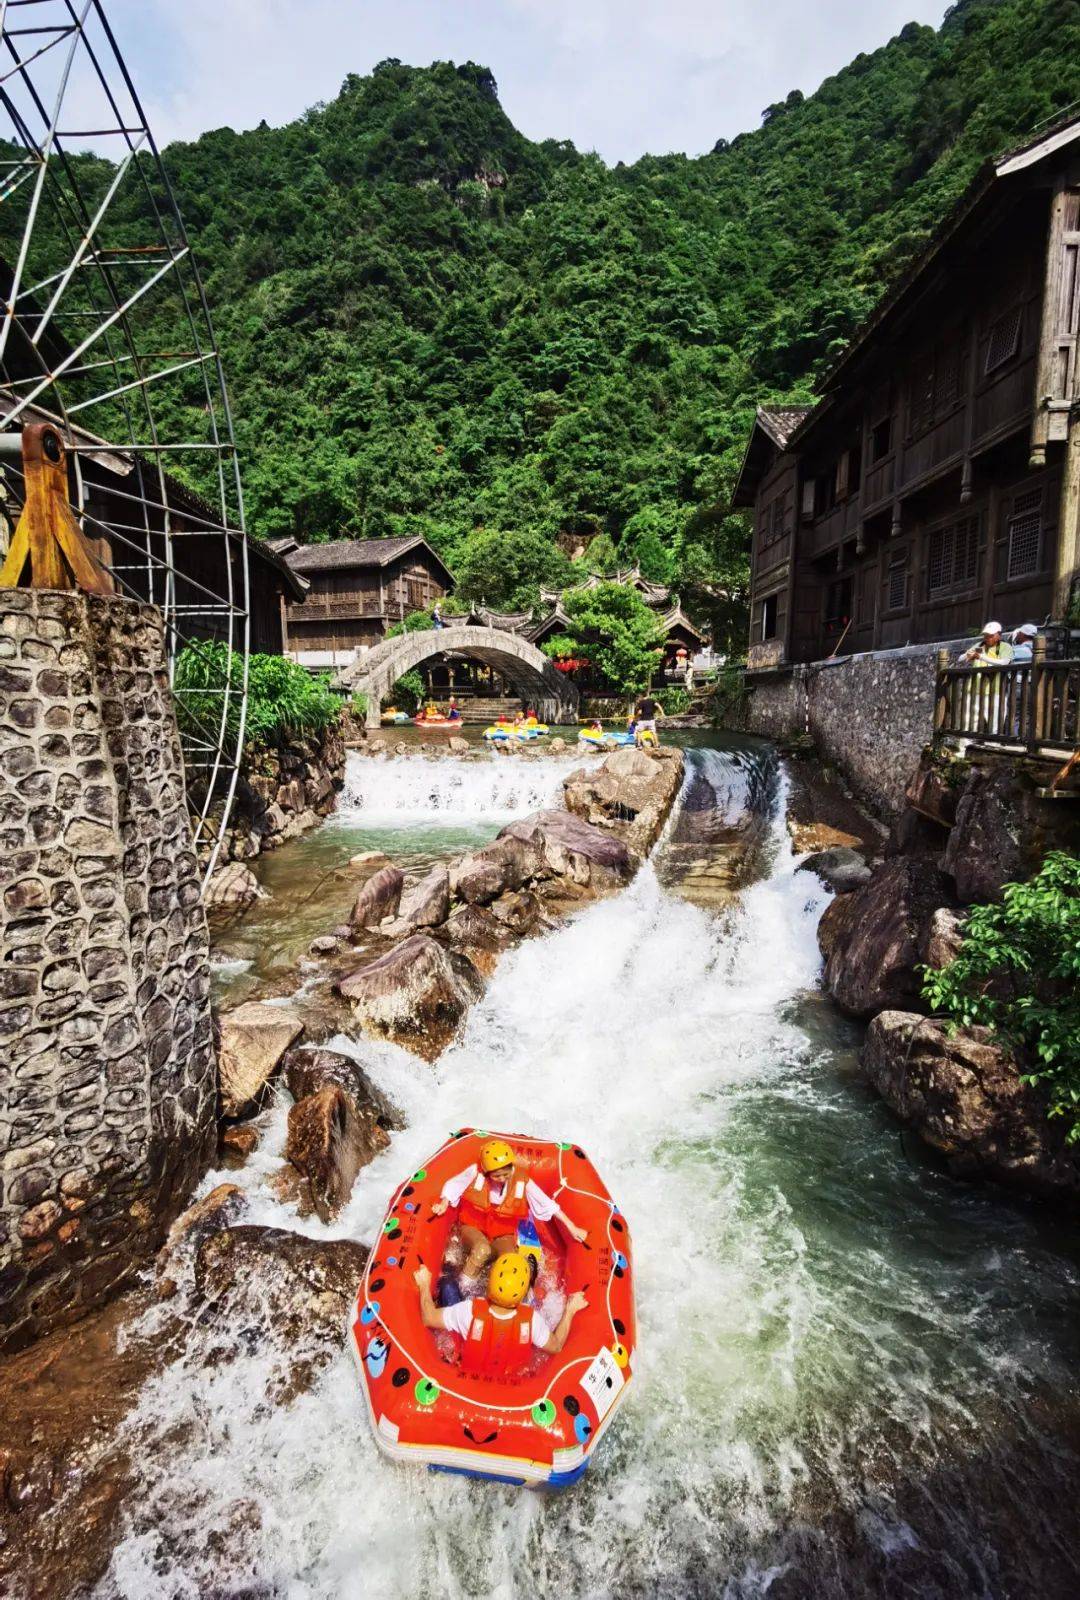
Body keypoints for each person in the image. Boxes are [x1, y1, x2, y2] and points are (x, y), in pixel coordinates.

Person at [431, 1138, 588, 1280]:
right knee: (482, 1249)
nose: (502, 1179)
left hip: (502, 1235)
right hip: (473, 1228)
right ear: (487, 1173)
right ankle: (463, 1287)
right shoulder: (475, 1172)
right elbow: (454, 1185)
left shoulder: (522, 1181)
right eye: (496, 1176)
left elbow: (547, 1204)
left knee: (510, 1260)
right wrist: (443, 1203)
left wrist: (572, 1227)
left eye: (505, 1174)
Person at [414, 1254, 589, 1376]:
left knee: (447, 1284)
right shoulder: (532, 1320)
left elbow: (428, 1317)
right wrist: (570, 1310)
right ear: (521, 1294)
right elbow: (556, 1346)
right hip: (510, 1378)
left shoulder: (469, 1311)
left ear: (490, 1283)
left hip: (466, 1370)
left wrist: (424, 1283)